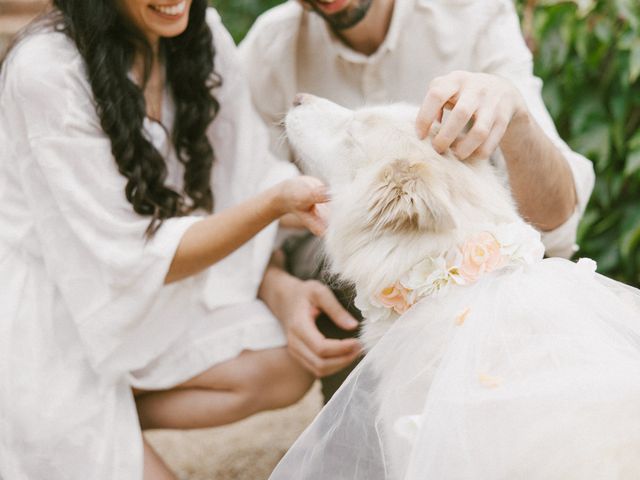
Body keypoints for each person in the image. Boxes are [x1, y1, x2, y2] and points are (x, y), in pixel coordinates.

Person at [0, 1, 327, 479]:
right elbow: (127, 258)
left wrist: (343, 201)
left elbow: (247, 175)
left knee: (288, 362)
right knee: (67, 444)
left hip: (139, 296)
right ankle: (51, 422)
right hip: (51, 316)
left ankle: (106, 420)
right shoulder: (45, 70)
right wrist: (280, 202)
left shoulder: (201, 32)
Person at [240, 0, 596, 402]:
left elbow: (556, 221)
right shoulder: (270, 46)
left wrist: (517, 118)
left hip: (482, 285)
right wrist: (279, 289)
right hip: (337, 282)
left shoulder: (474, 14)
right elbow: (239, 202)